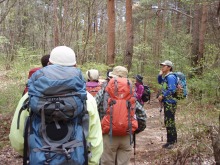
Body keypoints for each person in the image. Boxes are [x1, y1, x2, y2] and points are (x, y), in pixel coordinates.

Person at [10, 46, 103, 165]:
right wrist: (92, 162)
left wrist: (33, 154)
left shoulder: (30, 97)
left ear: (48, 64)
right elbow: (95, 141)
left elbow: (17, 139)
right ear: (75, 66)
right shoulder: (87, 98)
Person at [95, 66, 147, 165]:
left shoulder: (105, 90)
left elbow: (93, 108)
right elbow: (142, 115)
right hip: (127, 135)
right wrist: (135, 130)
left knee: (107, 162)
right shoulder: (130, 92)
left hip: (108, 134)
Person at [157, 60, 177, 149]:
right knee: (167, 121)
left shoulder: (171, 77)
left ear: (169, 67)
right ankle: (170, 141)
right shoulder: (166, 77)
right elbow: (160, 82)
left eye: (164, 66)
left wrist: (163, 96)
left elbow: (172, 89)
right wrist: (159, 75)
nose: (162, 67)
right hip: (167, 102)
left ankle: (172, 142)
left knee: (170, 121)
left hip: (171, 102)